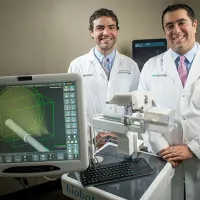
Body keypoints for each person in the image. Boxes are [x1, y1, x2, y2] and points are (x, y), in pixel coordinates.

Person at [138, 3, 200, 200]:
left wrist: (193, 148)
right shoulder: (150, 67)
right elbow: (144, 112)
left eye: (182, 22)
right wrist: (163, 149)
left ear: (194, 24)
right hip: (165, 160)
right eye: (169, 26)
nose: (176, 30)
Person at [68, 8, 140, 143]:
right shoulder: (77, 66)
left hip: (123, 141)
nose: (106, 33)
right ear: (92, 32)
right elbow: (72, 111)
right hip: (90, 143)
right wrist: (91, 137)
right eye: (100, 28)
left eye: (111, 27)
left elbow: (137, 108)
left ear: (117, 31)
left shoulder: (131, 66)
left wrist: (124, 134)